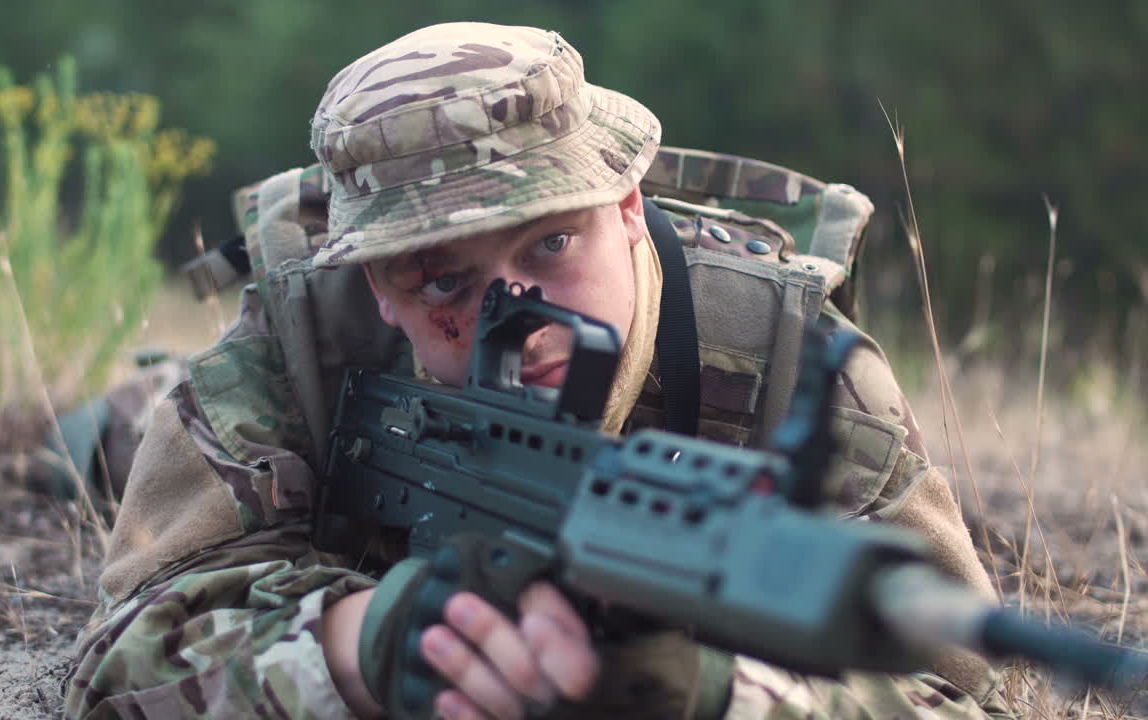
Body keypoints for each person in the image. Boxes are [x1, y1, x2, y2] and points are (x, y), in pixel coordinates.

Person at [65, 22, 1013, 719]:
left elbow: (963, 690)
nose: (520, 320)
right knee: (126, 429)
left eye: (553, 242)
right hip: (275, 447)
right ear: (376, 286)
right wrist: (370, 644)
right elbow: (123, 660)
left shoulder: (794, 360)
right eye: (443, 278)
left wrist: (716, 693)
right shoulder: (305, 338)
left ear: (630, 205)